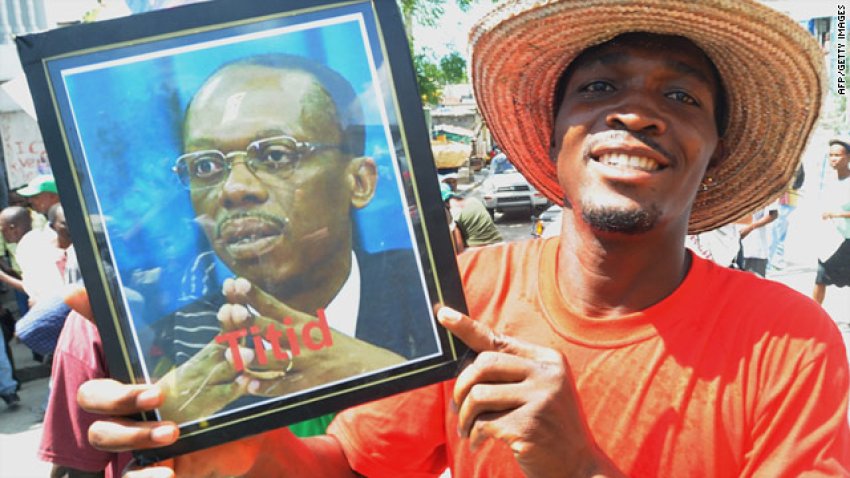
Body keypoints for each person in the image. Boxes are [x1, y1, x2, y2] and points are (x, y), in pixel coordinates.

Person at [78, 1, 850, 476]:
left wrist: (578, 470)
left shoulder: (791, 342)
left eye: (680, 96)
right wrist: (232, 453)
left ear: (713, 152)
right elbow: (345, 467)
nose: (637, 113)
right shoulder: (466, 296)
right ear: (553, 138)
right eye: (599, 88)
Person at [141, 55, 437, 422]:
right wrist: (160, 432)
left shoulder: (437, 300)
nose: (234, 189)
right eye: (206, 166)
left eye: (276, 155)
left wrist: (403, 383)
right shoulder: (167, 352)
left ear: (359, 182)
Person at [812, 137, 850, 305]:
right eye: (831, 155)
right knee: (820, 278)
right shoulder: (830, 181)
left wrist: (836, 214)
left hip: (847, 241)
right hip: (831, 241)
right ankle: (812, 315)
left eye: (838, 155)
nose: (833, 159)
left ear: (848, 157)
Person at [440, 175, 502, 249]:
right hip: (499, 244)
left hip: (477, 250)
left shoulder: (454, 213)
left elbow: (459, 248)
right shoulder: (473, 200)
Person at [736, 201, 779, 277]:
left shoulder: (764, 191)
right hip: (735, 245)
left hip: (755, 248)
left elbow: (773, 214)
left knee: (754, 282)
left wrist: (750, 228)